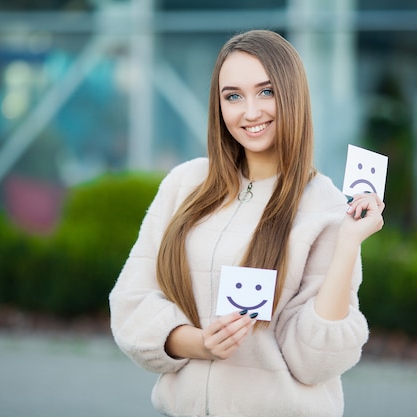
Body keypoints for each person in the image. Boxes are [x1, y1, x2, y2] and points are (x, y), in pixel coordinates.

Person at [109, 29, 384, 417]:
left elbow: (315, 362)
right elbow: (130, 305)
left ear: (292, 96)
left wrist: (348, 243)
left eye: (266, 91)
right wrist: (199, 343)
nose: (250, 111)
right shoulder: (183, 184)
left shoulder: (325, 204)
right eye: (233, 96)